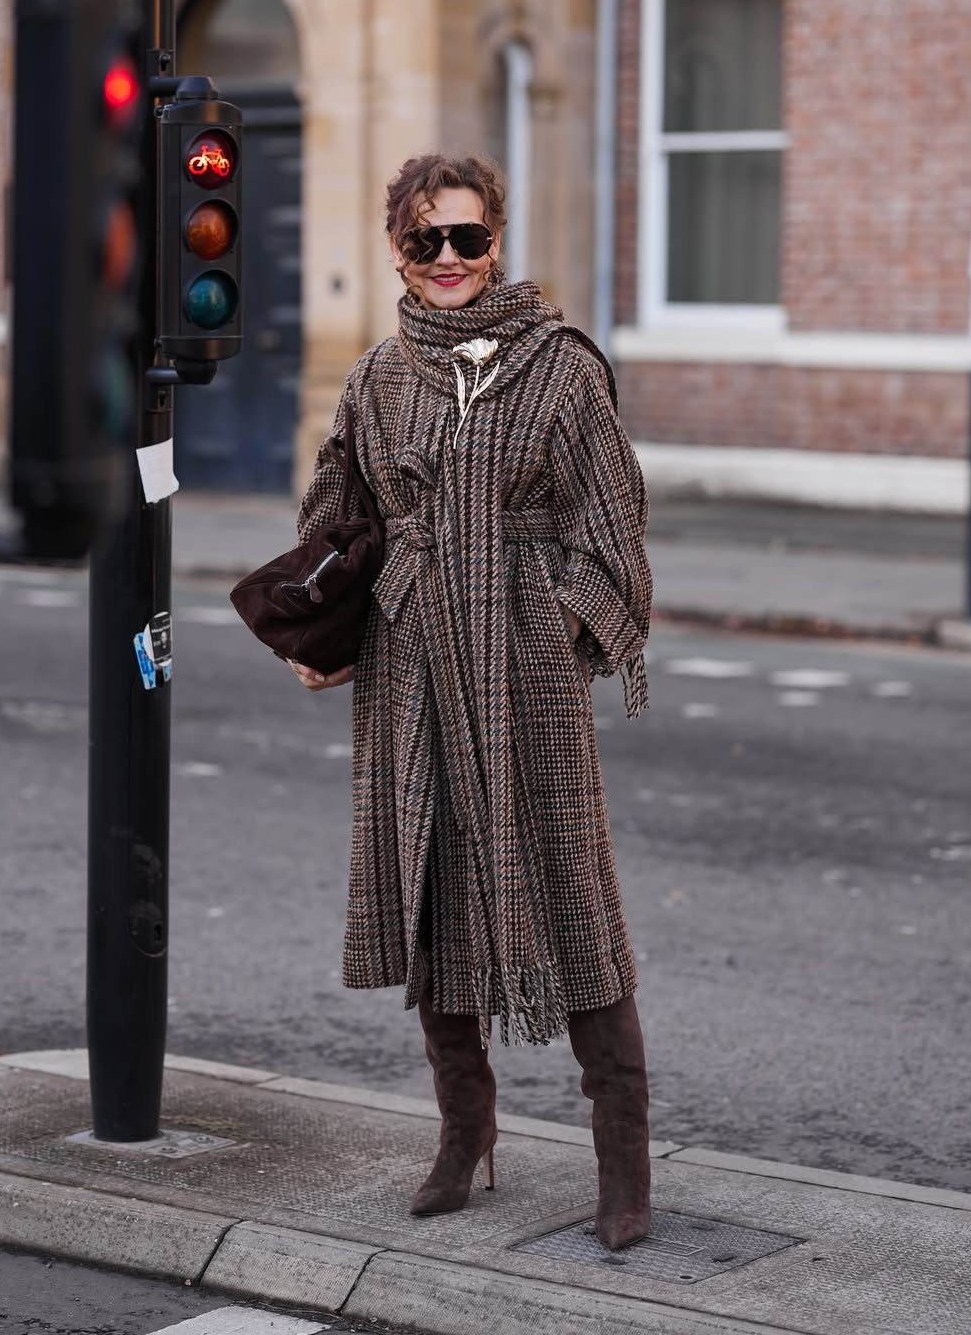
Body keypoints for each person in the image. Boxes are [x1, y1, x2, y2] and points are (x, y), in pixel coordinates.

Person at [289, 153, 654, 1250]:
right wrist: (326, 611)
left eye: (467, 239)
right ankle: (466, 1133)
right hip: (410, 672)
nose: (448, 261)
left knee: (575, 901)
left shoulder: (562, 370)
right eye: (424, 241)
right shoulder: (377, 378)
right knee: (432, 890)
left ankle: (624, 1164)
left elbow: (615, 528)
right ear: (396, 248)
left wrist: (553, 630)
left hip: (527, 676)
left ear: (498, 240)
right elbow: (332, 515)